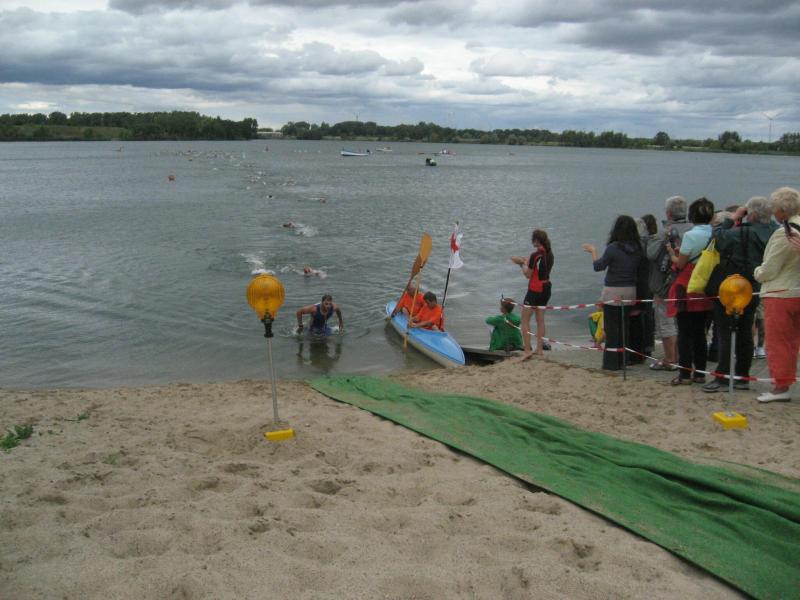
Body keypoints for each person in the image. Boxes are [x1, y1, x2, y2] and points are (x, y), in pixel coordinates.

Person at [702, 197, 777, 393]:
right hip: (754, 285)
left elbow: (717, 239)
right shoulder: (775, 232)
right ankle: (743, 376)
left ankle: (723, 376)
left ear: (750, 214)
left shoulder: (741, 232)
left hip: (732, 286)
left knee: (726, 332)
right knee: (745, 331)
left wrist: (733, 218)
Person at [752, 186, 800, 402]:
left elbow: (771, 267)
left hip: (780, 293)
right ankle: (784, 382)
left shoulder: (784, 233)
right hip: (795, 290)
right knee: (792, 341)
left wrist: (757, 272)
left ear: (782, 210)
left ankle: (780, 386)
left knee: (778, 341)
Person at [582, 215, 646, 370]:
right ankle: (623, 360)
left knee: (612, 328)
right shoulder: (638, 249)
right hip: (630, 290)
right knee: (624, 327)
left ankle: (611, 363)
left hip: (613, 291)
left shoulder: (613, 248)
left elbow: (598, 266)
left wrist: (593, 252)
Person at [665, 197, 715, 385]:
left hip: (687, 286)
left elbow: (680, 264)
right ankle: (700, 373)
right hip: (706, 285)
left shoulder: (690, 235)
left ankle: (685, 374)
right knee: (701, 332)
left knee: (685, 332)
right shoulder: (716, 233)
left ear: (692, 216)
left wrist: (672, 254)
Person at [645, 196, 692, 371]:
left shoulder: (663, 233)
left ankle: (670, 359)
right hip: (690, 283)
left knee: (666, 322)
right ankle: (683, 357)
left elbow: (650, 254)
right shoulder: (693, 231)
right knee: (683, 321)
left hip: (665, 284)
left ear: (669, 213)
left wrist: (659, 238)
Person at [511, 229, 554, 357]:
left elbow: (528, 274)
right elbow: (540, 269)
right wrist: (526, 262)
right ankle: (539, 350)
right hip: (546, 287)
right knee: (540, 320)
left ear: (536, 240)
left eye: (532, 239)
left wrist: (521, 264)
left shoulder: (535, 255)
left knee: (525, 320)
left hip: (535, 289)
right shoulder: (549, 253)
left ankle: (527, 350)